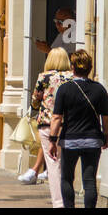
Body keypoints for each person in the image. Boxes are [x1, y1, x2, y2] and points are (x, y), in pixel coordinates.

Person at [47, 49, 108, 208]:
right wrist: (105, 136)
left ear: (73, 67)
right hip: (92, 140)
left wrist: (52, 141)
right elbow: (106, 118)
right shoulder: (99, 89)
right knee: (89, 180)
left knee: (67, 178)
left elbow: (56, 117)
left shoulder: (64, 89)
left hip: (70, 140)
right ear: (89, 68)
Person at [26, 47, 72, 201]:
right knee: (67, 165)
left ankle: (59, 203)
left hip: (48, 123)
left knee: (53, 165)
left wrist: (38, 100)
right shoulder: (71, 77)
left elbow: (35, 102)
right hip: (69, 124)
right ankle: (68, 199)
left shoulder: (44, 77)